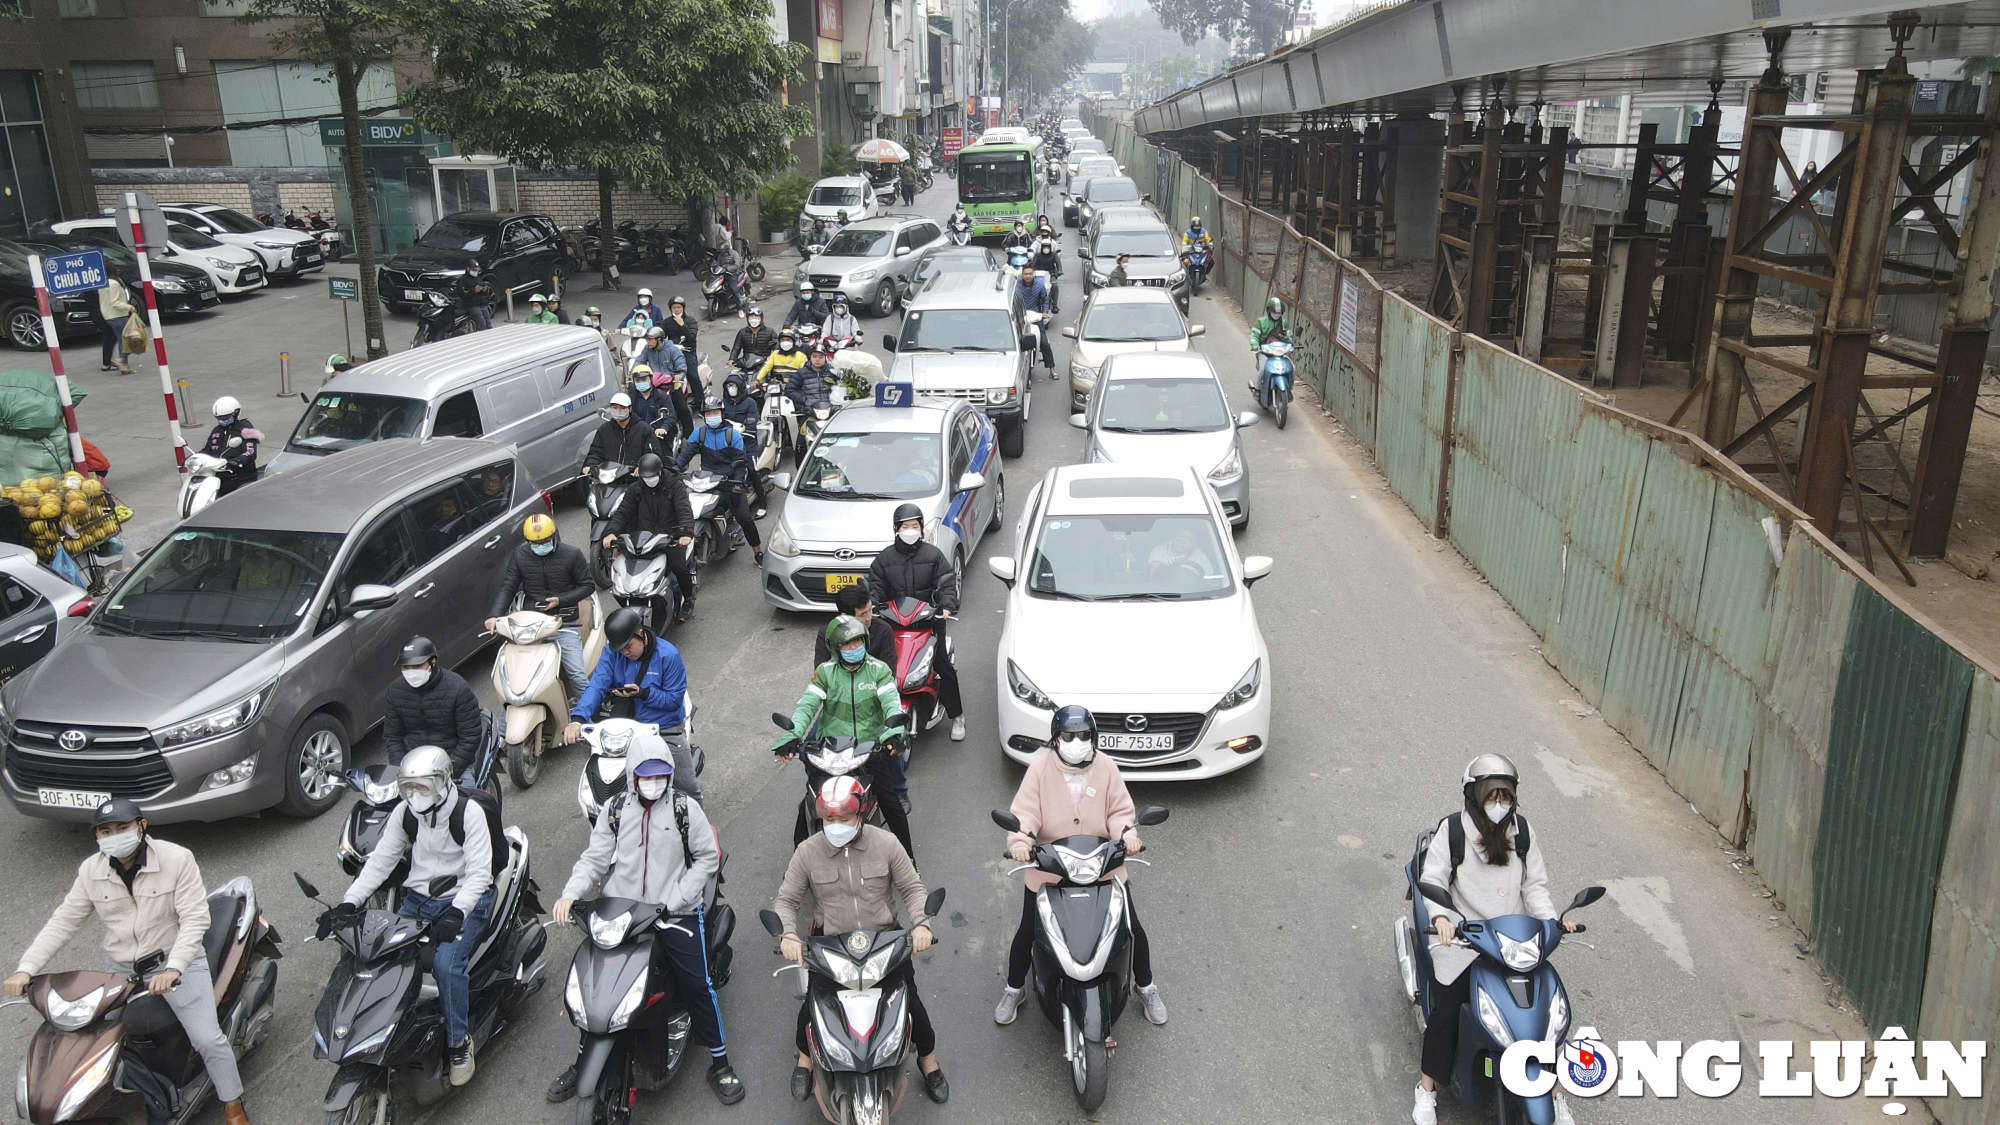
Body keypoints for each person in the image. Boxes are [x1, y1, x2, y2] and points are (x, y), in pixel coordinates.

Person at [7, 799, 255, 1125]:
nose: (115, 836)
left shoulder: (176, 859)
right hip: (121, 969)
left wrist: (174, 967)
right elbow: (63, 922)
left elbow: (195, 919)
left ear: (141, 826)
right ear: (97, 836)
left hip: (176, 961)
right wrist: (26, 968)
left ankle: (232, 1103)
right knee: (91, 1037)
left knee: (207, 1039)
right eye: (105, 831)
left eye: (122, 828)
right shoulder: (91, 871)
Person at [548, 752, 742, 1105]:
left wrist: (678, 897)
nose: (653, 783)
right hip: (622, 912)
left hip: (674, 912)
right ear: (631, 775)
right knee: (596, 984)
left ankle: (720, 1061)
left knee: (697, 984)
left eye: (660, 775)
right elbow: (594, 857)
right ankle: (582, 1062)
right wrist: (569, 894)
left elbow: (707, 859)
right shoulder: (616, 809)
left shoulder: (685, 809)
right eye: (645, 776)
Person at [1412, 755, 1576, 1125]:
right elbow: (1434, 880)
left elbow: (1535, 887)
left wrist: (1550, 922)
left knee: (1545, 1016)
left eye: (1505, 796)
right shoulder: (1454, 831)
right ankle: (1426, 1089)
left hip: (1512, 940)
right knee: (1448, 1011)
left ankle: (1553, 1091)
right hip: (1466, 940)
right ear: (1473, 796)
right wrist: (1442, 918)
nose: (1498, 805)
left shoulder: (1524, 833)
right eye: (1491, 797)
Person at [773, 776, 948, 1106]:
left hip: (884, 943)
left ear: (862, 813)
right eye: (828, 819)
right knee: (813, 1009)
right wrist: (789, 933)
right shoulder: (807, 852)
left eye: (844, 818)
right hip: (832, 946)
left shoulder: (887, 844)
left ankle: (928, 1061)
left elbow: (912, 889)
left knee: (912, 1007)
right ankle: (805, 1059)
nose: (836, 825)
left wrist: (921, 925)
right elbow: (786, 900)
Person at [323, 747, 494, 1087]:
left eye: (423, 787)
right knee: (376, 955)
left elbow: (479, 874)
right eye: (409, 787)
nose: (415, 796)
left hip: (464, 902)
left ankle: (459, 1042)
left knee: (446, 965)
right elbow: (381, 862)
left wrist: (458, 912)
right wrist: (349, 902)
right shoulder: (405, 813)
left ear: (443, 782)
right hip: (418, 900)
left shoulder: (468, 813)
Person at [994, 706, 1168, 1029]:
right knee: (1027, 932)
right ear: (1056, 739)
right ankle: (1014, 989)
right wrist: (1020, 843)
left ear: (1094, 738)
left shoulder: (1106, 767)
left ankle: (1145, 987)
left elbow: (1119, 811)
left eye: (1084, 736)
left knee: (1132, 929)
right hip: (1049, 868)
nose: (1078, 742)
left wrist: (1128, 835)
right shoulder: (1039, 770)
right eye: (1069, 736)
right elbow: (1025, 814)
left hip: (1104, 866)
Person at [773, 614, 915, 853]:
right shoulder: (825, 672)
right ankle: (797, 865)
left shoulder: (879, 670)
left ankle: (910, 861)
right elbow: (807, 705)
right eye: (846, 645)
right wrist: (792, 736)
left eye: (857, 643)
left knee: (892, 806)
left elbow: (891, 701)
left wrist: (893, 732)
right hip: (831, 751)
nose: (853, 648)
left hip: (869, 751)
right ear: (835, 648)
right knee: (808, 806)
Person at [866, 503, 964, 748]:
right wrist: (874, 605)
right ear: (896, 529)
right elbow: (875, 586)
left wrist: (946, 605)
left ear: (921, 528)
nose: (910, 530)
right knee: (875, 667)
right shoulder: (884, 559)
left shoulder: (933, 555)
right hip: (893, 626)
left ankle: (957, 716)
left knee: (941, 664)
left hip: (929, 623)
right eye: (905, 526)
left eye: (915, 525)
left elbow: (946, 583)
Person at [486, 514, 593, 698]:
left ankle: (590, 720)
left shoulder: (572, 554)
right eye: (535, 543)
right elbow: (508, 586)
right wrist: (494, 615)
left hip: (565, 624)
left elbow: (588, 586)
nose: (540, 545)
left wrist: (560, 600)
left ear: (553, 536)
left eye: (544, 541)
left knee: (577, 677)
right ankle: (504, 727)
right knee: (514, 681)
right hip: (532, 626)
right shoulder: (519, 556)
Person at [564, 607, 690, 741]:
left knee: (676, 762)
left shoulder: (669, 655)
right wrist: (578, 719)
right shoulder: (611, 653)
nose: (625, 653)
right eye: (620, 649)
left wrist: (643, 693)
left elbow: (673, 700)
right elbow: (596, 686)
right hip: (624, 725)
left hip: (663, 726)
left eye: (628, 647)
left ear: (641, 634)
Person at [603, 451, 698, 624]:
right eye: (646, 476)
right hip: (642, 539)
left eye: (652, 475)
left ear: (660, 471)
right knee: (624, 569)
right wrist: (611, 532)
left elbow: (684, 510)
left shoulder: (674, 486)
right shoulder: (635, 489)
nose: (649, 479)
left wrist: (685, 534)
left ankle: (688, 599)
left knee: (679, 567)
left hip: (670, 537)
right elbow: (623, 512)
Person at [385, 635, 485, 781]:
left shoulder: (458, 689)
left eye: (418, 666)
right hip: (412, 765)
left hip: (452, 762)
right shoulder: (395, 691)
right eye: (406, 667)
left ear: (433, 662)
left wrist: (448, 772)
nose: (411, 671)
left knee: (469, 800)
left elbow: (470, 738)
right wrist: (400, 769)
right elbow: (392, 737)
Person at [675, 396, 764, 560]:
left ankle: (757, 551)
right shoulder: (699, 433)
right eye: (708, 413)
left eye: (715, 412)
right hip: (706, 481)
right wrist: (674, 469)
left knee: (744, 517)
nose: (712, 415)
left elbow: (741, 463)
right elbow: (685, 455)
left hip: (730, 481)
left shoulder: (733, 435)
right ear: (703, 415)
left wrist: (738, 484)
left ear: (722, 413)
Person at [812, 583, 893, 667]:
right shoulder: (827, 633)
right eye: (863, 614)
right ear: (845, 616)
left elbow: (889, 671)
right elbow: (820, 670)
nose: (869, 618)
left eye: (870, 610)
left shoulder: (883, 630)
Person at [583, 391, 664, 471]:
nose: (618, 411)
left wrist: (643, 467)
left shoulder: (644, 429)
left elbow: (653, 454)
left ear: (630, 408)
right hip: (609, 477)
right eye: (615, 407)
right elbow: (595, 453)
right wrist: (591, 466)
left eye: (622, 408)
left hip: (635, 478)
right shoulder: (604, 430)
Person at [202, 396, 261, 496]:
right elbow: (208, 450)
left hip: (241, 478)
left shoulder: (246, 429)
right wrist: (194, 458)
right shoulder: (217, 430)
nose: (221, 420)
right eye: (218, 417)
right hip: (219, 476)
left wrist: (236, 461)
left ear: (235, 413)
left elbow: (250, 452)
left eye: (225, 417)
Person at [92, 261, 138, 374]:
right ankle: (121, 361)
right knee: (129, 340)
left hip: (108, 316)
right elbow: (115, 302)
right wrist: (129, 307)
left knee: (123, 340)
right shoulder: (114, 284)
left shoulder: (102, 284)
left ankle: (125, 366)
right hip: (118, 315)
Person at [1014, 265, 1056, 373]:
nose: (1028, 276)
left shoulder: (1040, 285)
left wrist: (1045, 312)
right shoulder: (1016, 285)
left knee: (1044, 343)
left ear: (1033, 275)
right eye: (1026, 274)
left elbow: (1045, 299)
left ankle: (1052, 369)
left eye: (1030, 274)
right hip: (1020, 318)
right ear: (1022, 275)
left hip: (1036, 318)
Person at [1249, 295, 1293, 398]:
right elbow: (1254, 335)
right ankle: (1258, 389)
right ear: (1269, 311)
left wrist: (1286, 337)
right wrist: (1255, 345)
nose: (1277, 314)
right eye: (1275, 312)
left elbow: (1289, 337)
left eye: (1279, 313)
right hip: (1264, 352)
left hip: (1280, 353)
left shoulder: (1284, 323)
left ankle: (1289, 389)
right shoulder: (1261, 322)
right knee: (1262, 369)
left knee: (1292, 368)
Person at [627, 364, 675, 447]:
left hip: (659, 438)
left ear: (651, 379)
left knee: (666, 458)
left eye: (644, 379)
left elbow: (671, 417)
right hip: (639, 437)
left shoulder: (662, 397)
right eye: (638, 380)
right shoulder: (631, 400)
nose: (641, 383)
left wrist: (663, 428)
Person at [785, 342, 834, 417]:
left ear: (825, 358)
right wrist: (804, 400)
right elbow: (789, 389)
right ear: (810, 357)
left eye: (821, 357)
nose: (817, 359)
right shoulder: (801, 372)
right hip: (809, 411)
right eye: (814, 357)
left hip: (829, 411)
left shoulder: (832, 372)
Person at [729, 307, 777, 373]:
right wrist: (732, 359)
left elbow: (777, 347)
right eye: (751, 317)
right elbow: (736, 348)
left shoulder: (770, 331)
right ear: (747, 319)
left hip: (765, 363)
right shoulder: (742, 332)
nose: (754, 319)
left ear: (761, 319)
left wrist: (771, 358)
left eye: (756, 317)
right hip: (747, 363)